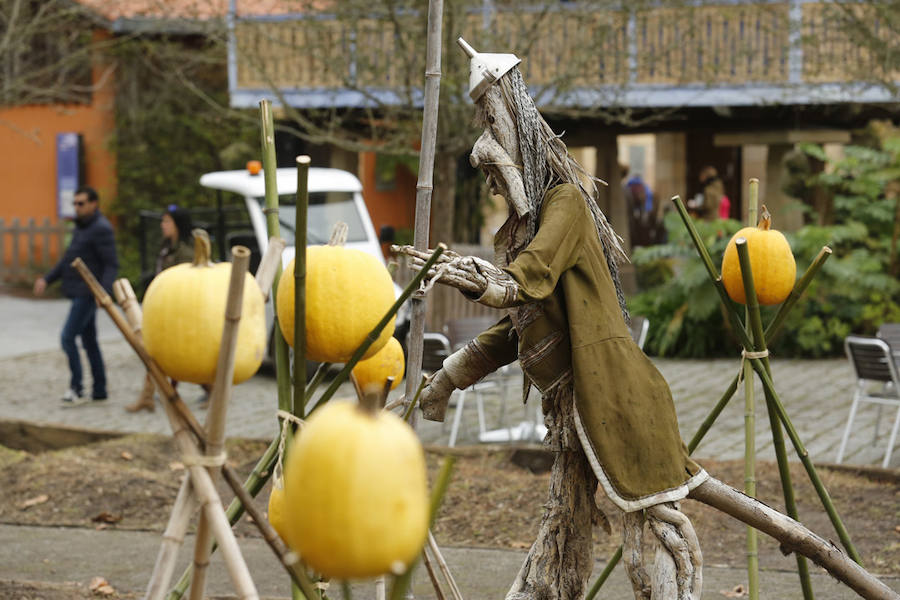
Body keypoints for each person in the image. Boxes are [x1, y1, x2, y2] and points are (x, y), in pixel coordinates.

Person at [397, 39, 705, 599]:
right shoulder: (531, 224)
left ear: (516, 155)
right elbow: (512, 330)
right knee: (561, 534)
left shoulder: (565, 202)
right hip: (572, 411)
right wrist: (443, 381)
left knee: (651, 543)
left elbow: (531, 277)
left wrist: (468, 273)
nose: (490, 186)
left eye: (494, 172)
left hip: (616, 400)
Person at [34, 186, 119, 406]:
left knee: (67, 337)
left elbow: (111, 264)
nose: (77, 207)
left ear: (94, 204)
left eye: (81, 203)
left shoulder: (101, 228)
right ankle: (99, 390)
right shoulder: (83, 227)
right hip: (77, 291)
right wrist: (47, 279)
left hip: (87, 294)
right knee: (89, 341)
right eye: (75, 203)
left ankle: (77, 388)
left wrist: (104, 292)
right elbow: (68, 259)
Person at [126, 205, 195, 412]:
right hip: (163, 310)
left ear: (178, 225)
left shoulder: (186, 252)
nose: (163, 225)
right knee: (159, 354)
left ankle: (207, 389)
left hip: (177, 311)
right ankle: (149, 396)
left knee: (174, 357)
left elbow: (186, 284)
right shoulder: (166, 247)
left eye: (167, 221)